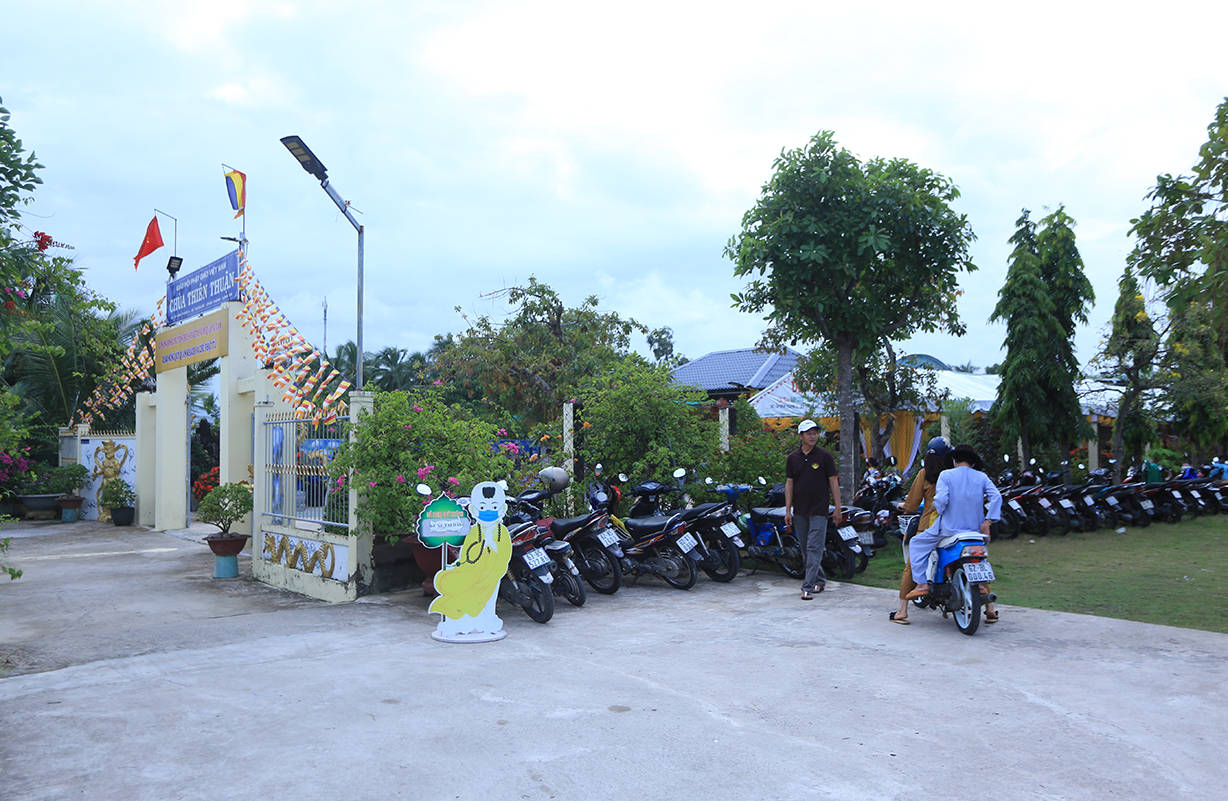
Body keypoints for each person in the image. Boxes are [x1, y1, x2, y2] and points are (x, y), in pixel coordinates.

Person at [906, 444, 1001, 614]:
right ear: (972, 462)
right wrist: (988, 522)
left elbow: (942, 500)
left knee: (916, 543)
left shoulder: (946, 475)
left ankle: (921, 584)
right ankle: (982, 589)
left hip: (949, 529)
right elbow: (997, 497)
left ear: (954, 460)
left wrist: (936, 506)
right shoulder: (982, 477)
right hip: (974, 531)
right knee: (981, 557)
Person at [889, 436, 950, 624]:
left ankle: (902, 610)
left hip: (929, 526)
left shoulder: (925, 474)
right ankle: (989, 607)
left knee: (913, 561)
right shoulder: (954, 473)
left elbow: (912, 504)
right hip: (954, 524)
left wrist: (903, 506)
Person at [784, 419, 842, 600]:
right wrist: (788, 510)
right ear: (800, 436)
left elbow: (833, 482)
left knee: (814, 547)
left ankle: (807, 587)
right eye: (808, 433)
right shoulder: (793, 458)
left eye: (815, 433)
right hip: (800, 509)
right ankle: (820, 579)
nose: (812, 436)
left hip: (819, 509)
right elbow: (789, 484)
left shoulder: (824, 456)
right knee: (805, 549)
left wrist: (838, 508)